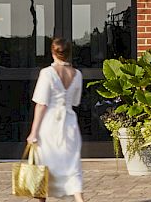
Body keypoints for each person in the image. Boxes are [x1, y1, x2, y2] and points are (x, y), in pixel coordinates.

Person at [27, 37, 86, 202]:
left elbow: (41, 104)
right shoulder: (77, 74)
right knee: (72, 163)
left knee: (44, 163)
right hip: (69, 122)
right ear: (68, 53)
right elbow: (75, 101)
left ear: (53, 52)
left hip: (49, 123)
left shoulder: (47, 73)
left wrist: (33, 133)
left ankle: (42, 199)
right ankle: (79, 198)